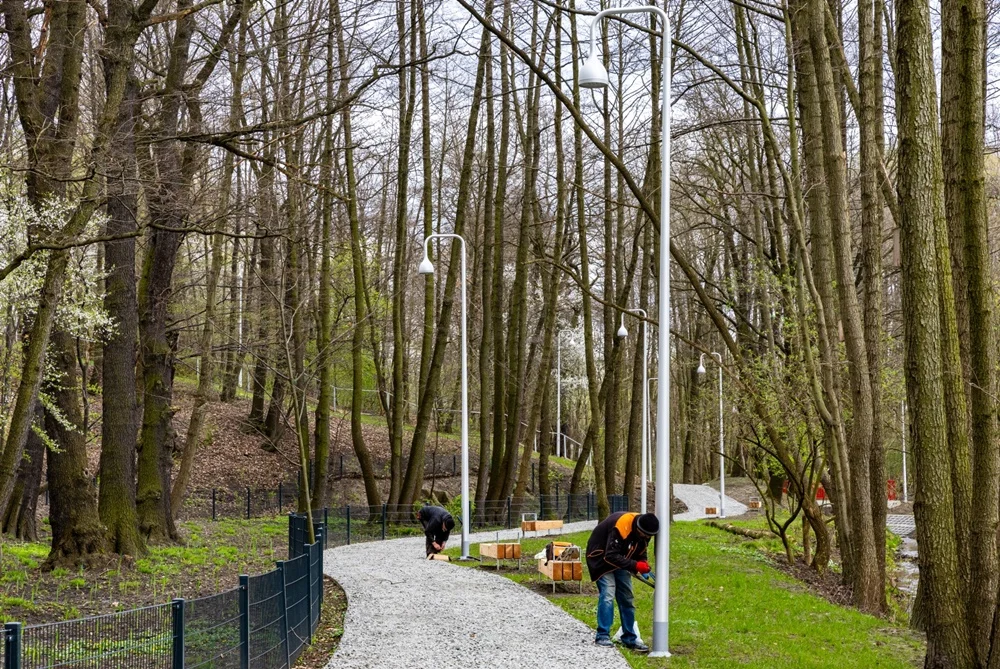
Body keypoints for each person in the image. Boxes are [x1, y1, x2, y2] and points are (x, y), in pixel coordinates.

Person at [585, 511, 659, 652]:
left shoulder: (645, 530)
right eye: (644, 535)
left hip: (620, 559)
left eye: (649, 536)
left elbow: (640, 548)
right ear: (638, 528)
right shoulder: (621, 526)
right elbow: (610, 555)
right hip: (601, 558)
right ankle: (602, 635)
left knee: (627, 598)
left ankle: (629, 637)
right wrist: (635, 565)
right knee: (608, 594)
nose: (646, 538)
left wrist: (642, 561)